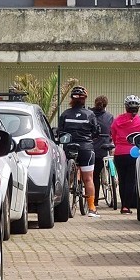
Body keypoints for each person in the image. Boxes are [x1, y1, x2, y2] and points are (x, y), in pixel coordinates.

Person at [58, 86, 101, 217]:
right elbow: (96, 131)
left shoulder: (65, 114)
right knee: (88, 179)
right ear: (84, 100)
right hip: (86, 148)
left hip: (69, 147)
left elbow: (60, 131)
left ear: (71, 99)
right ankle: (92, 208)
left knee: (67, 178)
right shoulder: (90, 114)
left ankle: (65, 204)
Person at [111, 94, 140, 214]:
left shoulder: (117, 120)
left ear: (126, 107)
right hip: (134, 154)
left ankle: (123, 205)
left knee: (122, 179)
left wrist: (119, 145)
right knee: (131, 180)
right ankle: (126, 206)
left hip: (119, 153)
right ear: (138, 108)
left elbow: (113, 136)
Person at [91, 95, 114, 206]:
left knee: (93, 175)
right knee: (98, 173)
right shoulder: (109, 117)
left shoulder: (89, 115)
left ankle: (93, 200)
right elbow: (112, 133)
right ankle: (96, 200)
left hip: (91, 148)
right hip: (104, 148)